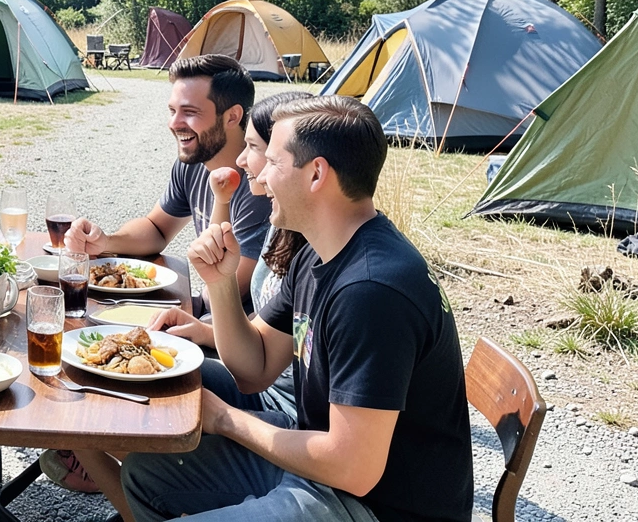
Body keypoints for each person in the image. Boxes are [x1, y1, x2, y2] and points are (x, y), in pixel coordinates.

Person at [121, 96, 474, 522]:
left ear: (316, 174)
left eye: (273, 162)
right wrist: (219, 282)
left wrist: (227, 421)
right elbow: (255, 370)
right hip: (322, 463)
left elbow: (353, 469)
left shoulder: (372, 290)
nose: (261, 175)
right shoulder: (318, 252)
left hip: (373, 505)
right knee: (147, 475)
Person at [69, 91, 314, 522]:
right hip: (273, 387)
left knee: (144, 429)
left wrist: (223, 419)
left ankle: (139, 486)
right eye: (170, 110)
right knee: (102, 386)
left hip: (299, 423)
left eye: (261, 153)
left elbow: (354, 465)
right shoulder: (292, 229)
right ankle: (92, 450)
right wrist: (203, 327)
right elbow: (265, 342)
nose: (243, 161)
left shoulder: (348, 268)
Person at [51, 54, 272, 499]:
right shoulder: (193, 164)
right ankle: (99, 448)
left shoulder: (260, 186)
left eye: (189, 112)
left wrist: (196, 327)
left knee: (97, 360)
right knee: (86, 337)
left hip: (241, 342)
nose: (175, 123)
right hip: (209, 323)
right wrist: (105, 241)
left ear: (232, 117)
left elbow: (237, 284)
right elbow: (155, 229)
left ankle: (108, 457)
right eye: (172, 110)